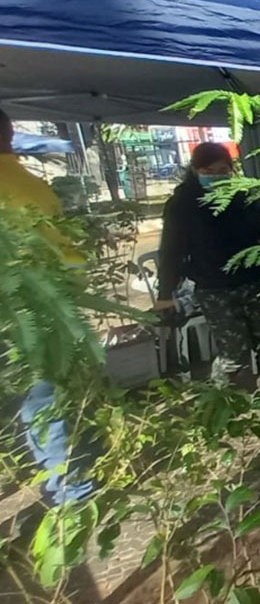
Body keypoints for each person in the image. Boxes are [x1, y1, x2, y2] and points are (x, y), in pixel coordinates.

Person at [0, 108, 94, 505]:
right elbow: (66, 250)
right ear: (9, 134)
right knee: (43, 396)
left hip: (21, 311)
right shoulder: (36, 187)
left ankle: (62, 481)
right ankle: (64, 482)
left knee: (40, 397)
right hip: (45, 307)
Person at [156, 142, 260, 388]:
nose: (216, 177)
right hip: (215, 288)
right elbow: (171, 250)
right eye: (208, 171)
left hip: (254, 282)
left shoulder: (242, 195)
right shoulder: (182, 204)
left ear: (231, 170)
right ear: (195, 170)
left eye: (222, 171)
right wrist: (164, 293)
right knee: (233, 354)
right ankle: (227, 398)